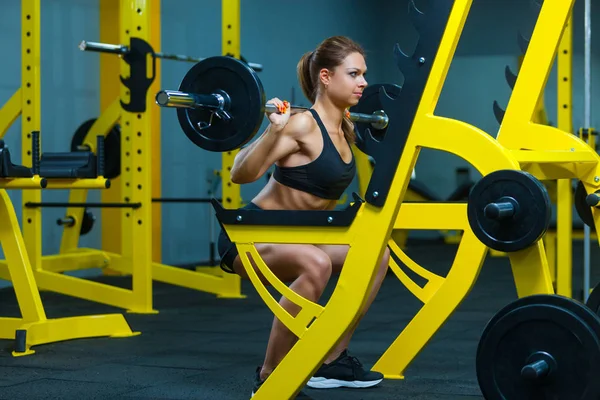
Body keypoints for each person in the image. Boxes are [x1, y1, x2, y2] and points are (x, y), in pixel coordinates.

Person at [217, 36, 390, 397]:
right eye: (354, 74)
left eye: (364, 74)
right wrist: (272, 131)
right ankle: (271, 377)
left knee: (376, 253)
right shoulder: (299, 125)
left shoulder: (347, 128)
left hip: (301, 236)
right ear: (326, 77)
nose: (363, 83)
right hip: (251, 236)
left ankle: (331, 360)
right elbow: (239, 174)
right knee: (316, 264)